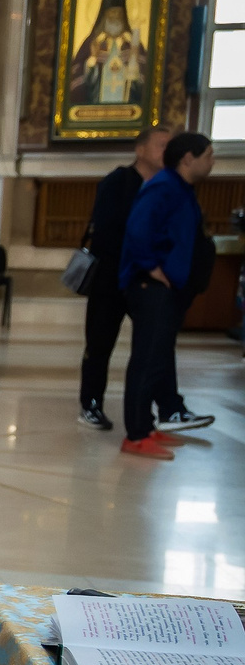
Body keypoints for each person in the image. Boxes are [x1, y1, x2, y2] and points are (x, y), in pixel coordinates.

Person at [119, 131, 218, 460]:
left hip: (168, 290)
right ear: (188, 158)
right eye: (208, 156)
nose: (213, 162)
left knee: (158, 358)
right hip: (153, 290)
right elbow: (137, 229)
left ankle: (146, 427)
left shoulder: (179, 188)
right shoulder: (164, 187)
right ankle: (135, 436)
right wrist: (153, 269)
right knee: (146, 360)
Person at [78, 126, 170, 431]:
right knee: (100, 343)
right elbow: (107, 230)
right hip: (111, 278)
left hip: (147, 281)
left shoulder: (166, 185)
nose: (166, 152)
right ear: (140, 150)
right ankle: (91, 404)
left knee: (154, 345)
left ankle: (158, 410)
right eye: (160, 145)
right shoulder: (118, 182)